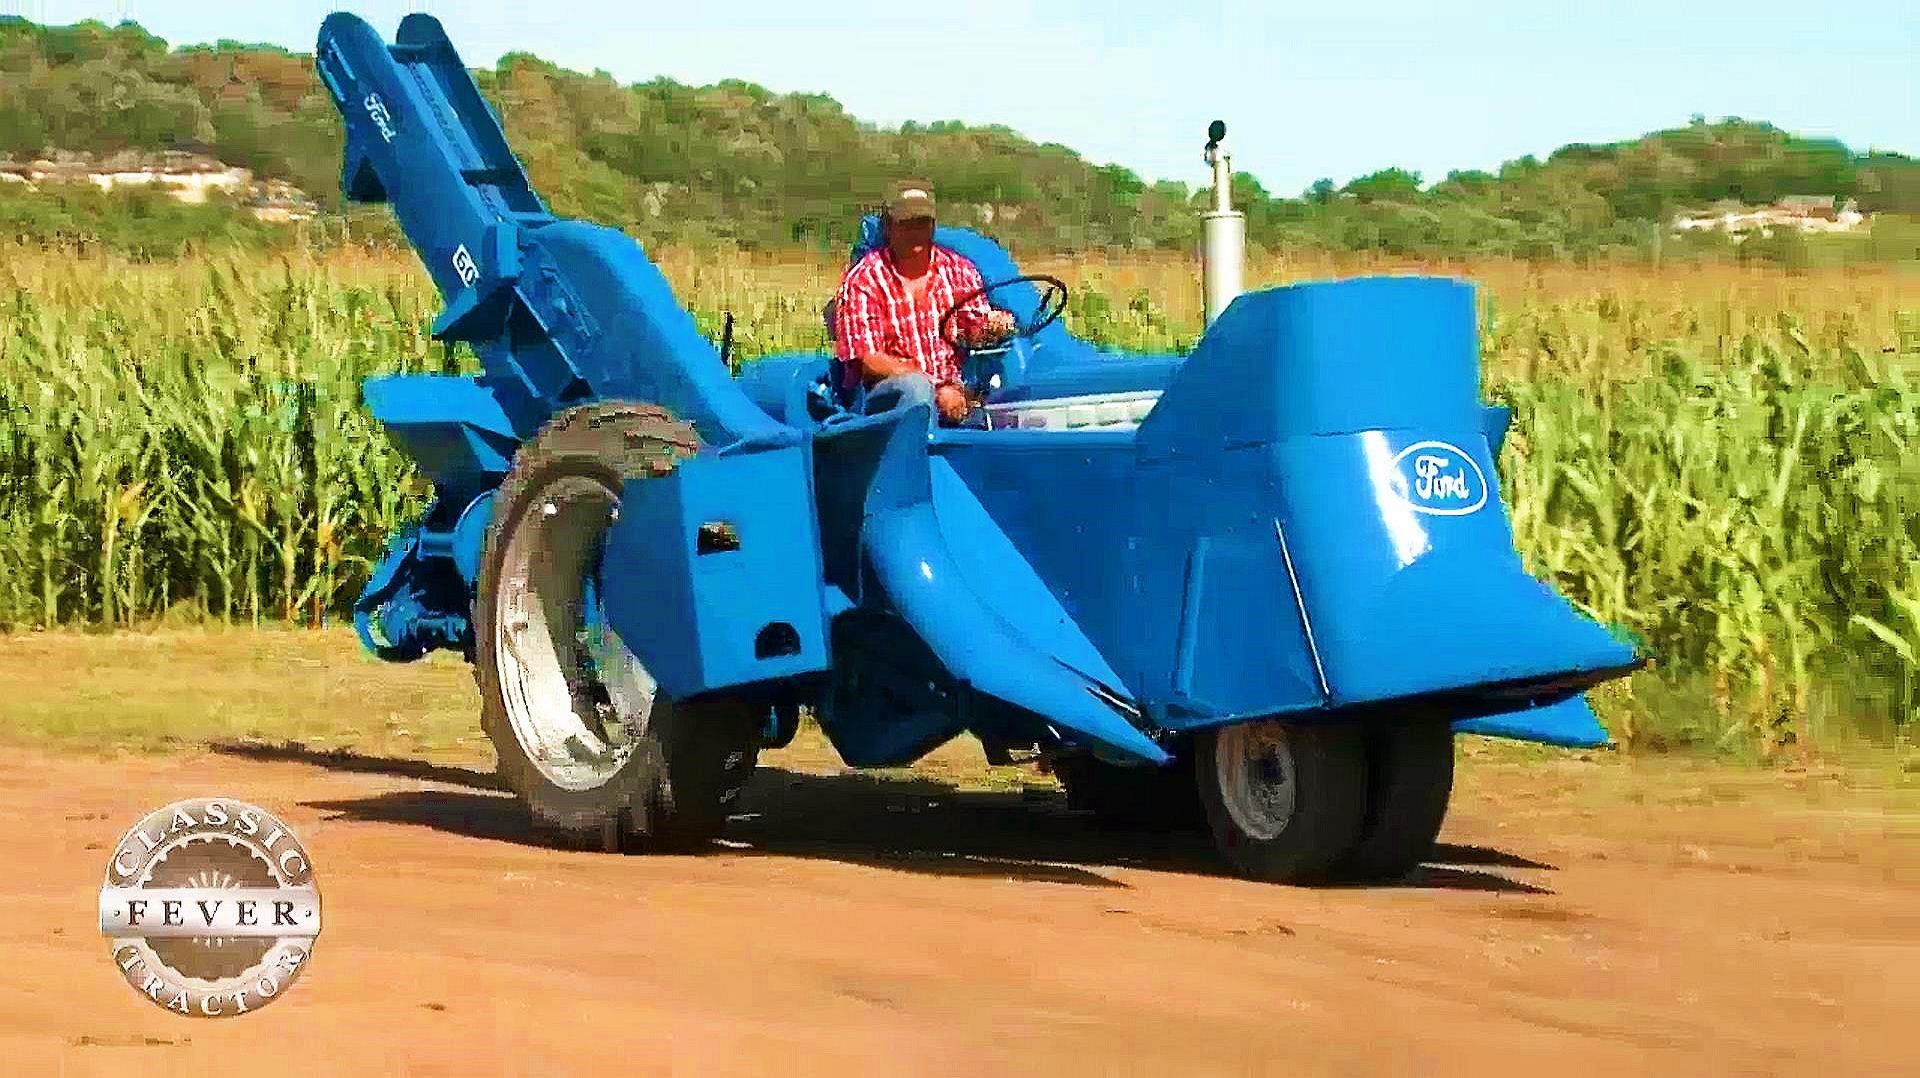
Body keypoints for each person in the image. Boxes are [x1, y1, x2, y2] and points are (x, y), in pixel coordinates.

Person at [832, 180, 1018, 425]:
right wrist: (934, 388)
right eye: (906, 224)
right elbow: (869, 361)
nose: (915, 232)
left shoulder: (959, 270)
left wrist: (992, 326)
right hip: (887, 398)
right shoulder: (864, 280)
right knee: (916, 389)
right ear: (888, 227)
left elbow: (971, 327)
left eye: (922, 223)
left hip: (953, 391)